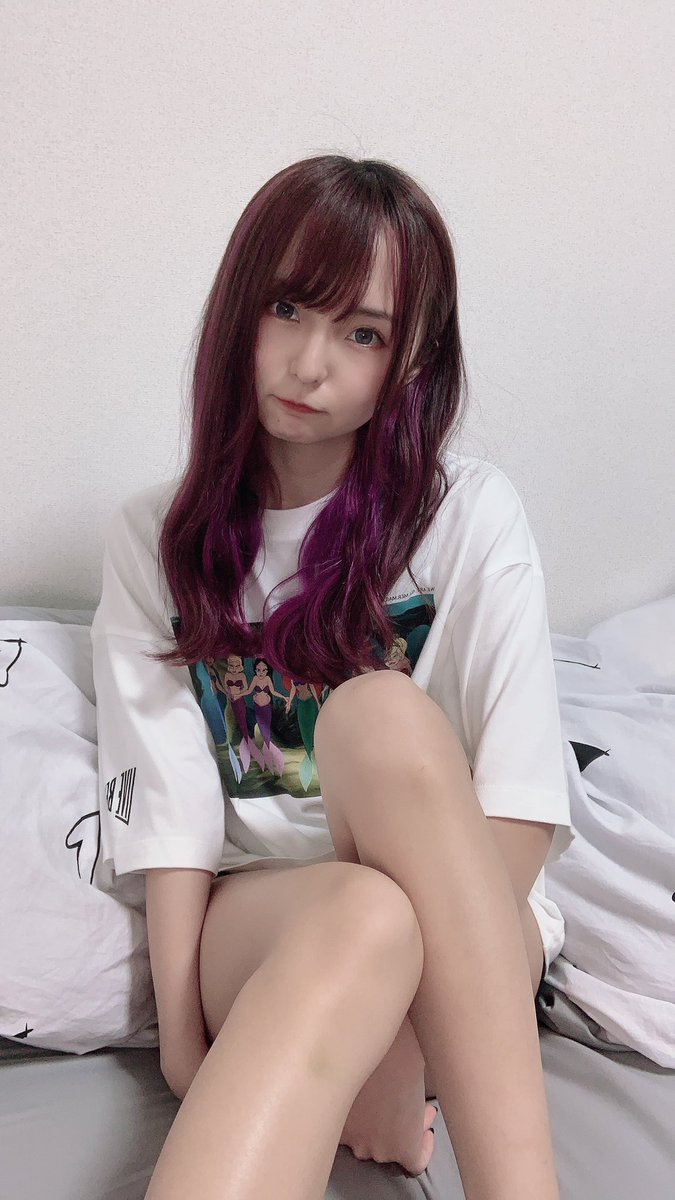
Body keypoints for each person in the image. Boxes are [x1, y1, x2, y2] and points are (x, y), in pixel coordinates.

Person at [91, 154, 574, 1199]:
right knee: (359, 914)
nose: (310, 365)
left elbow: (522, 801)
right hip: (271, 925)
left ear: (410, 359)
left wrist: (400, 1043)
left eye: (362, 334)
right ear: (239, 308)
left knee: (378, 719)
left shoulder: (467, 515)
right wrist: (181, 1046)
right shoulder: (154, 540)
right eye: (286, 309)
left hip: (473, 939)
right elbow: (170, 814)